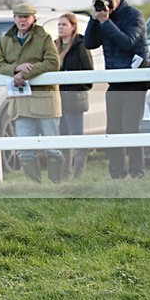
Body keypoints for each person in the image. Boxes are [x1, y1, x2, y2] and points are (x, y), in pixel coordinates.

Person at [84, 0, 149, 179]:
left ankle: (137, 173)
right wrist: (94, 19)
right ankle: (117, 173)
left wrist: (105, 22)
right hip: (114, 81)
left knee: (131, 129)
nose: (106, 3)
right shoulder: (103, 16)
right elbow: (89, 43)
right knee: (113, 129)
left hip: (134, 80)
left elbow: (128, 42)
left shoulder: (134, 15)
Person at [0, 3, 62, 183]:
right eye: (19, 16)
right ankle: (34, 186)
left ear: (33, 19)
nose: (22, 20)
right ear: (14, 18)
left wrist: (25, 73)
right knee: (24, 148)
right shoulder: (6, 40)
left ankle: (56, 185)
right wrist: (15, 69)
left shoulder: (44, 38)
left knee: (52, 147)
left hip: (45, 100)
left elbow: (53, 62)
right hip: (20, 101)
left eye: (26, 17)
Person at [56, 12, 93, 179]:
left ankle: (78, 172)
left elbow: (88, 74)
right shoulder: (55, 45)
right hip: (58, 99)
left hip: (75, 98)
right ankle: (64, 173)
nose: (61, 27)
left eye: (64, 24)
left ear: (73, 27)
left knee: (77, 136)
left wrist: (73, 86)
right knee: (62, 137)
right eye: (59, 24)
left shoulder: (80, 45)